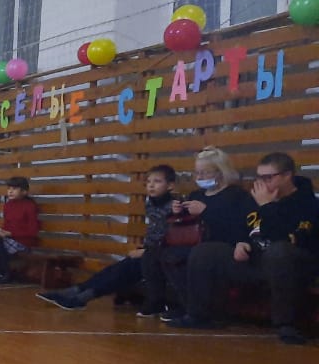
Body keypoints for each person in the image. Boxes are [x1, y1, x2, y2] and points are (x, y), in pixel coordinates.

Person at [169, 152, 316, 344]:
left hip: (291, 264)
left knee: (279, 251)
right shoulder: (256, 199)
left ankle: (286, 324)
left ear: (287, 175)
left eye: (268, 177)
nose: (262, 183)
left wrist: (267, 207)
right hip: (257, 259)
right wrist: (243, 242)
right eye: (259, 177)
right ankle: (199, 315)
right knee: (206, 252)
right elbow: (247, 228)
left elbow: (290, 239)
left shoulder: (307, 203)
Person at [36, 166, 178, 310]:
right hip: (149, 253)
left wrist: (146, 252)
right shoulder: (151, 204)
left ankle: (83, 298)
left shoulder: (175, 207)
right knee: (114, 269)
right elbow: (155, 233)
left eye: (157, 181)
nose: (151, 185)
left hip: (161, 256)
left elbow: (173, 240)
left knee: (126, 270)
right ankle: (76, 290)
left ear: (170, 186)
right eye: (148, 182)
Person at [161, 146, 258, 321]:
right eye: (197, 173)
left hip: (224, 245)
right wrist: (177, 211)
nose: (199, 177)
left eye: (205, 173)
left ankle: (199, 310)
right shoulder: (196, 195)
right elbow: (187, 222)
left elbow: (240, 227)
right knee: (163, 254)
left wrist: (206, 211)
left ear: (220, 172)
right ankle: (187, 305)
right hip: (197, 242)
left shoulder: (237, 196)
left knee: (194, 255)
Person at [0, 176, 39, 283]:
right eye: (9, 188)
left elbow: (33, 231)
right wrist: (2, 232)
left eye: (14, 189)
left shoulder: (30, 206)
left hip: (23, 242)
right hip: (9, 240)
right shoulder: (8, 205)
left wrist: (11, 233)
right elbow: (7, 225)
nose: (10, 191)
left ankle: (4, 272)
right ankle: (5, 271)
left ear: (24, 191)